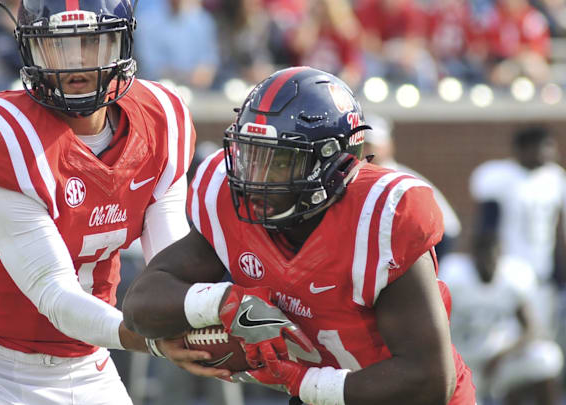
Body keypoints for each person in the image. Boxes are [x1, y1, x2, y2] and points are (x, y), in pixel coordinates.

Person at [123, 66, 476, 405]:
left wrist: (301, 382)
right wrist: (224, 302)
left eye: (277, 162)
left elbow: (429, 380)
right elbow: (140, 307)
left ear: (331, 164)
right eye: (249, 155)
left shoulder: (380, 218)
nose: (253, 179)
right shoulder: (225, 199)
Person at [0, 0, 206, 404]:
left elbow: (171, 262)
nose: (75, 63)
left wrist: (209, 312)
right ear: (30, 50)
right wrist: (153, 341)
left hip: (91, 358)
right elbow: (54, 295)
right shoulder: (5, 137)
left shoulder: (161, 119)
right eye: (59, 46)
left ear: (120, 43)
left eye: (91, 43)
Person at [440, 232, 563, 404]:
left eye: (493, 257)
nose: (489, 262)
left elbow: (532, 329)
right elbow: (436, 326)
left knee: (546, 357)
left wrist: (503, 355)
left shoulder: (511, 280)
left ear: (500, 256)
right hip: (463, 361)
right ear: (474, 256)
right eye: (484, 256)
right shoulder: (455, 279)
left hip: (497, 360)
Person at [469, 127, 565, 340]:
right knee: (505, 340)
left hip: (542, 276)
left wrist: (560, 276)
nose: (549, 153)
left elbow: (558, 230)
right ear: (522, 149)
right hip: (508, 274)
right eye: (543, 147)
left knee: (543, 340)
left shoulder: (555, 178)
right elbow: (487, 229)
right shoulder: (499, 177)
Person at [363, 113, 462, 258]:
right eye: (363, 145)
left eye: (370, 146)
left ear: (388, 146)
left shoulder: (396, 179)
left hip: (436, 238)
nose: (366, 151)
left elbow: (443, 227)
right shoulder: (372, 176)